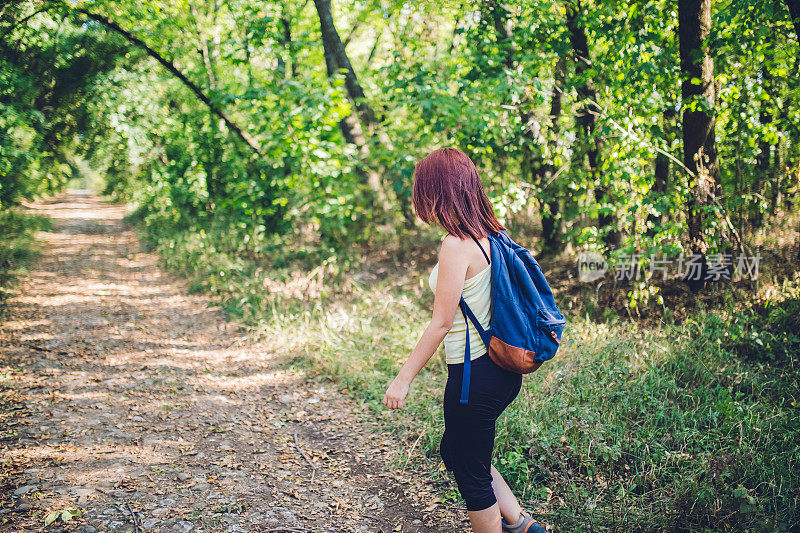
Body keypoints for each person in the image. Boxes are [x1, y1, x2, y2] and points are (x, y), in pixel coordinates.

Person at [382, 148, 546, 533]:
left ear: (438, 191)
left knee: (471, 474)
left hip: (474, 376)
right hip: (502, 371)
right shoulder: (494, 236)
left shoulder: (456, 245)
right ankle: (521, 524)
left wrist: (402, 378)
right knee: (459, 451)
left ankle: (516, 525)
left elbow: (440, 323)